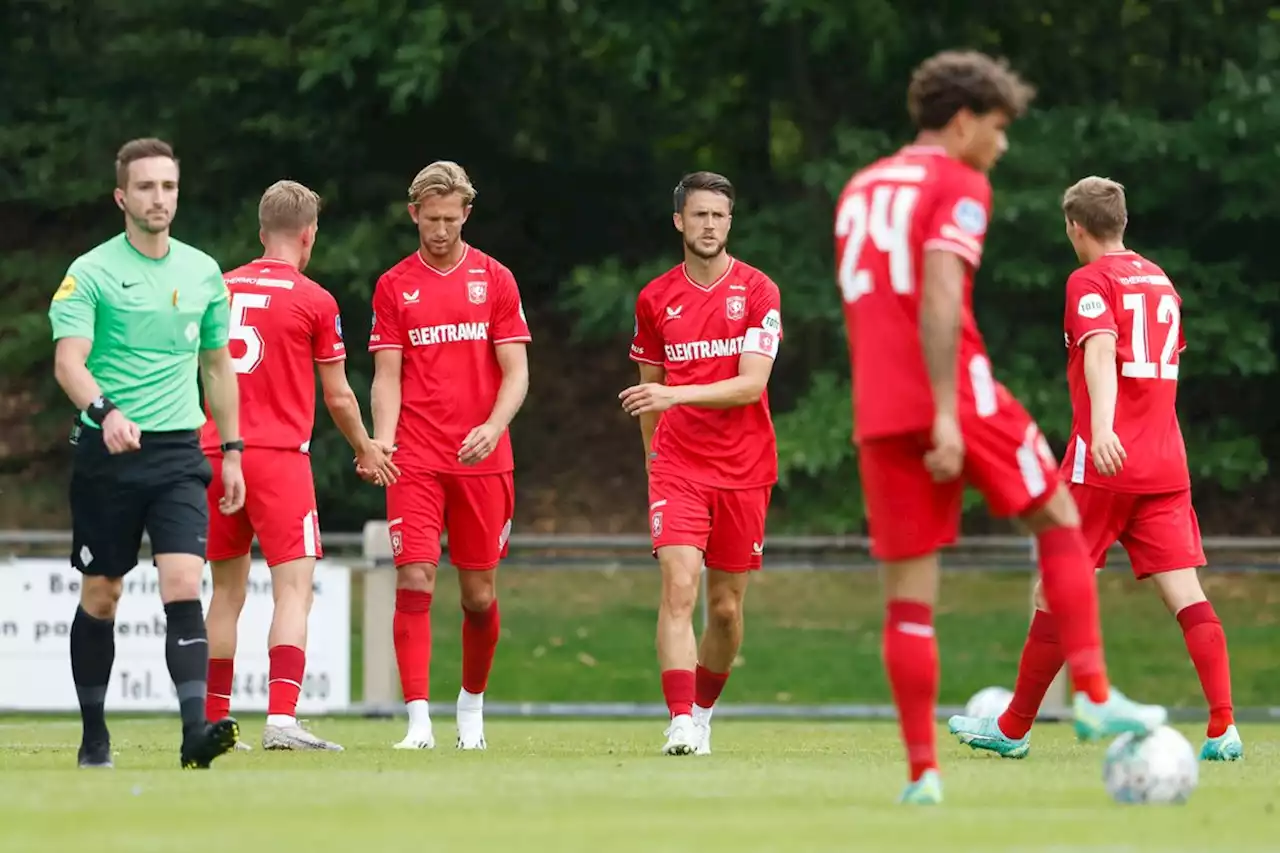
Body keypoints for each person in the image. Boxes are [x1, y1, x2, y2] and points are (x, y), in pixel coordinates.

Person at [834, 52, 1167, 804]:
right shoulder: (959, 181)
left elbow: (872, 306)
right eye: (997, 128)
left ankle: (922, 774)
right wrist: (949, 411)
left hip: (879, 409)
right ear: (961, 122)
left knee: (909, 597)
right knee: (1056, 513)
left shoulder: (859, 189)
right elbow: (942, 293)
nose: (1003, 145)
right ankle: (1091, 691)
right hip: (957, 392)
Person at [948, 176, 1242, 762]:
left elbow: (1102, 349)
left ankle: (1012, 727)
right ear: (1123, 221)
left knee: (1053, 584)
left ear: (1075, 227)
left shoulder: (1089, 280)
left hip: (1105, 462)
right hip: (1165, 461)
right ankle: (1223, 727)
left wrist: (1104, 427)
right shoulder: (1160, 280)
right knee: (1186, 592)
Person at [47, 137, 244, 769]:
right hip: (108, 453)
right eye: (147, 187)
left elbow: (217, 367)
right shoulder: (92, 271)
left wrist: (232, 448)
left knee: (184, 583)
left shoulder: (203, 272)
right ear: (122, 197)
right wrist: (105, 413)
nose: (159, 198)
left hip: (180, 453)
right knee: (102, 592)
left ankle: (194, 734)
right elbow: (68, 362)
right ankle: (94, 735)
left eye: (169, 187)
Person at [200, 180, 399, 751]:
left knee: (225, 593)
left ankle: (213, 721)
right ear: (308, 235)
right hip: (278, 458)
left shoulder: (217, 286)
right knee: (293, 589)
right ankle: (282, 719)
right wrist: (365, 447)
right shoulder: (314, 299)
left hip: (214, 453)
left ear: (262, 233)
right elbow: (337, 396)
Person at [366, 160, 531, 751]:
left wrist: (493, 425)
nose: (439, 230)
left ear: (466, 213)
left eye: (450, 219)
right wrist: (382, 438)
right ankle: (417, 722)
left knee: (478, 595)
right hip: (416, 456)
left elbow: (516, 372)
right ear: (414, 214)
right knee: (413, 577)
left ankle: (472, 708)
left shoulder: (496, 279)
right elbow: (388, 376)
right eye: (429, 219)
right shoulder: (393, 285)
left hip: (482, 457)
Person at [621, 171, 783, 756]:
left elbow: (749, 386)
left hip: (744, 467)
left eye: (718, 215)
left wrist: (676, 396)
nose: (708, 225)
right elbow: (648, 396)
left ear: (729, 222)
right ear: (679, 222)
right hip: (678, 468)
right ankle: (681, 719)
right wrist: (652, 461)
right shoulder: (655, 298)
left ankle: (706, 710)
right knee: (679, 587)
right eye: (699, 215)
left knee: (726, 609)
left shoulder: (760, 292)